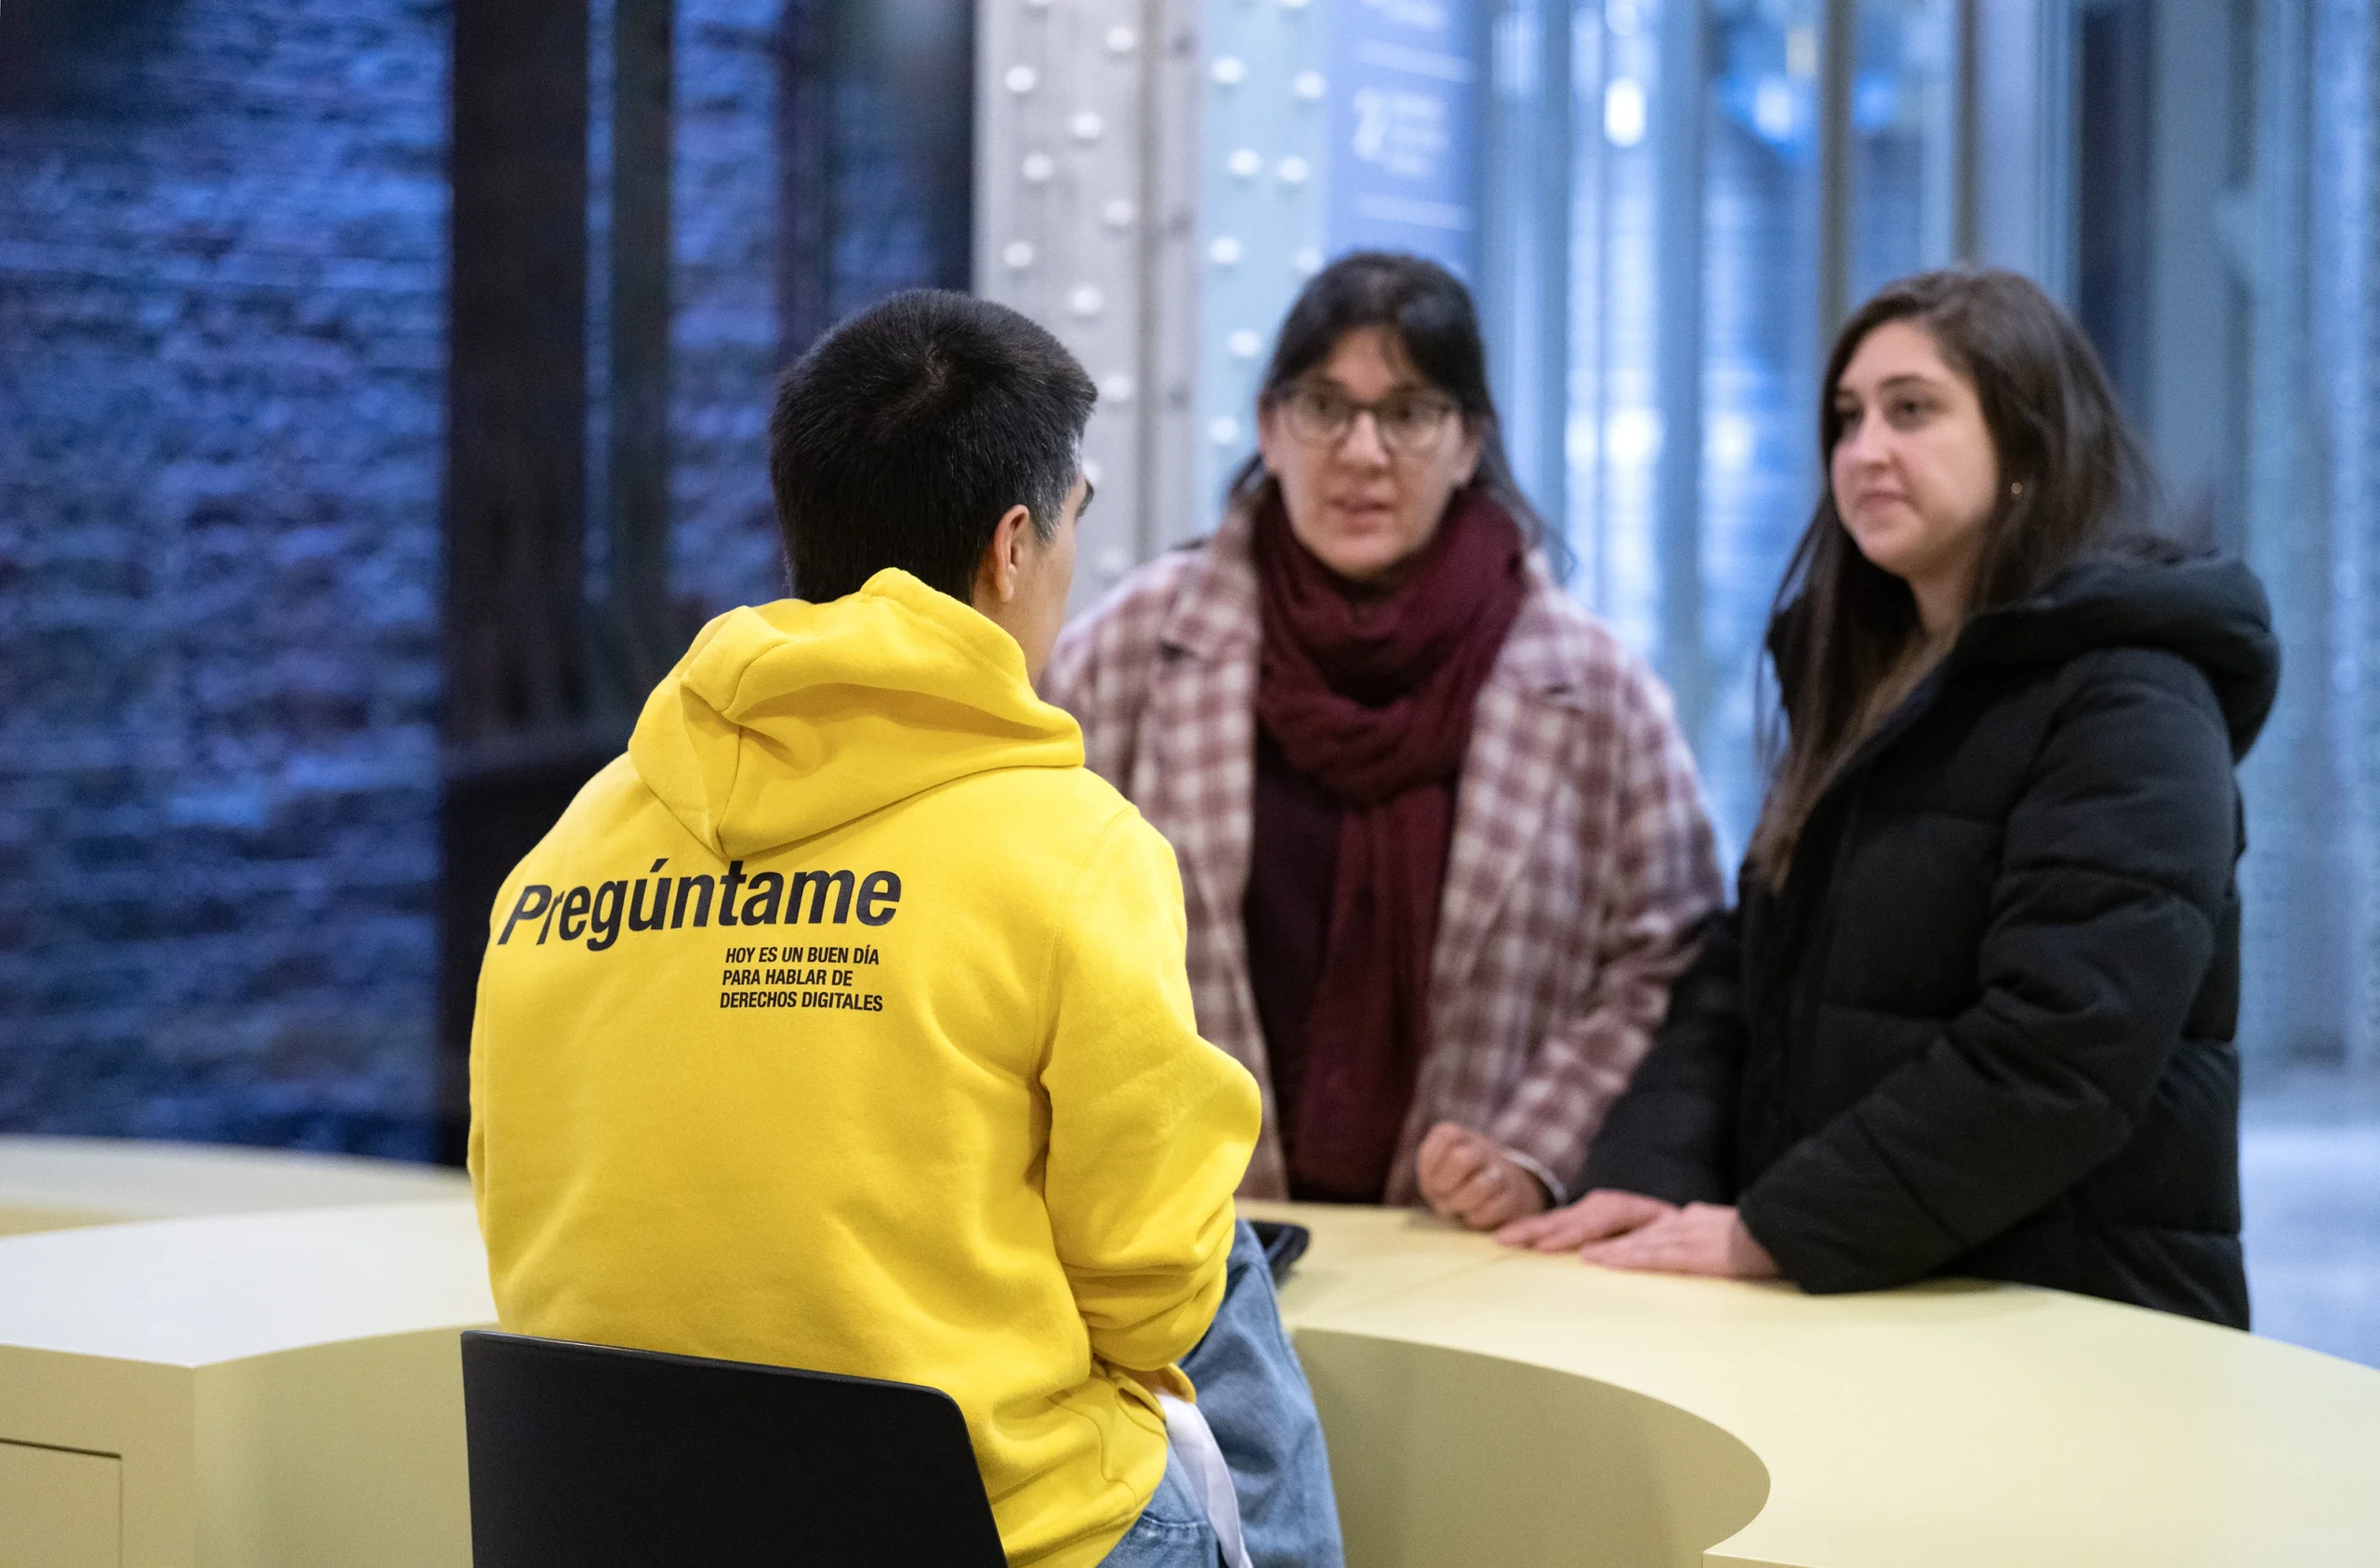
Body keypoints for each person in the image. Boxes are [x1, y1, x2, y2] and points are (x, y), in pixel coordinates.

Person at [469, 290, 1342, 1568]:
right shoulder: (1071, 846)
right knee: (1227, 1291)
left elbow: (523, 1203)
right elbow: (1151, 1289)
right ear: (1011, 545)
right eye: (1074, 523)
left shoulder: (570, 843)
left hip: (625, 1522)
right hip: (988, 1531)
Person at [1501, 268, 2279, 1327]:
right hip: (1877, 1298)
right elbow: (1744, 976)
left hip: (2073, 1325)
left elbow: (2066, 1045)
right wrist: (1650, 1171)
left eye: (1912, 411)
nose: (1865, 450)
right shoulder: (1868, 681)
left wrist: (1777, 1226)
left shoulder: (2132, 691)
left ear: (2028, 441)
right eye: (1846, 418)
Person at [1043, 252, 1723, 1230]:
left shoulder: (1591, 683)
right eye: (1325, 407)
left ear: (1468, 441)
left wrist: (1532, 1148)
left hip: (1473, 1264)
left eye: (1407, 414)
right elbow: (1033, 920)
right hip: (1183, 1246)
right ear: (1271, 428)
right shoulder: (1131, 652)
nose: (1363, 453)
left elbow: (1670, 951)